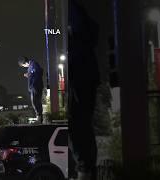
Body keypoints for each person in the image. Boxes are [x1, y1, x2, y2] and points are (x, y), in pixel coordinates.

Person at [68, 1, 100, 180]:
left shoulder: (72, 11)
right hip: (84, 75)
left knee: (79, 124)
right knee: (81, 124)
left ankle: (85, 169)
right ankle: (86, 168)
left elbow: (80, 34)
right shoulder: (75, 11)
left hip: (81, 75)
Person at [18, 56, 44, 123]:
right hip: (35, 86)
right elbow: (34, 74)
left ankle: (39, 118)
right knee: (36, 102)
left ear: (25, 63)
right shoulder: (32, 65)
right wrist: (29, 75)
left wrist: (32, 84)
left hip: (35, 87)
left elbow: (38, 73)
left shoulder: (33, 64)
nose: (24, 67)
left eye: (23, 65)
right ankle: (39, 118)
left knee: (35, 102)